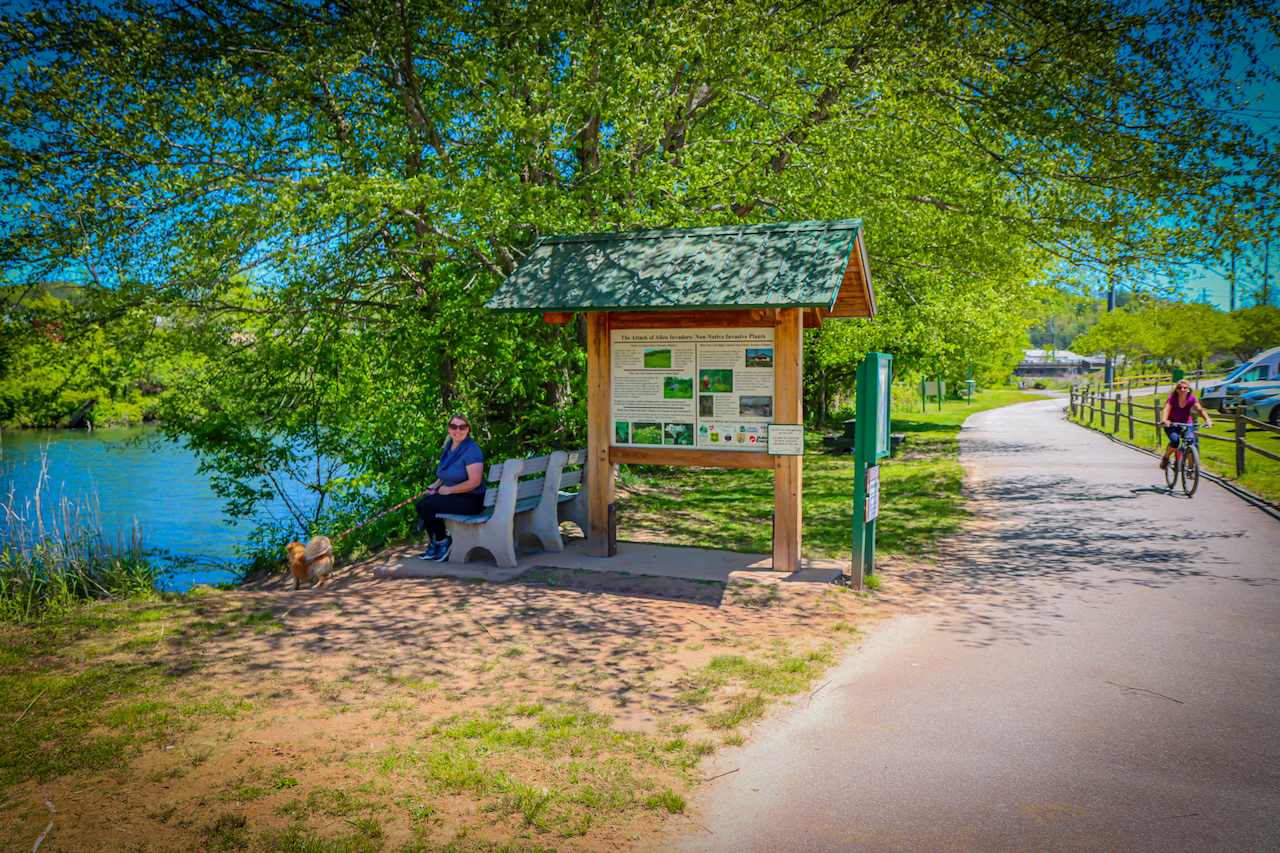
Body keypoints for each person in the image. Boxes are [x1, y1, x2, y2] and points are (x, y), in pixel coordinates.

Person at [415, 413, 485, 561]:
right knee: (421, 504)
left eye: (462, 427)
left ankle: (444, 541)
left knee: (428, 506)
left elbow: (475, 482)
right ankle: (434, 543)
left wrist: (449, 490)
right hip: (456, 495)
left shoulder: (472, 450)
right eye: (454, 427)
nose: (457, 431)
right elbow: (447, 472)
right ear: (448, 429)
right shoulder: (450, 447)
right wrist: (435, 486)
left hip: (472, 499)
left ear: (468, 429)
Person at [1160, 379, 1213, 471]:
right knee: (1175, 440)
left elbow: (1199, 409)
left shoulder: (1191, 398)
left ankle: (1191, 468)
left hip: (1187, 424)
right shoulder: (1172, 398)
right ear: (1177, 389)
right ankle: (1166, 457)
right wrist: (1165, 420)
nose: (1183, 390)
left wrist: (1208, 420)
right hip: (1173, 425)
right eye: (1180, 388)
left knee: (1191, 441)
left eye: (1185, 388)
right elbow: (1166, 409)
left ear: (1188, 389)